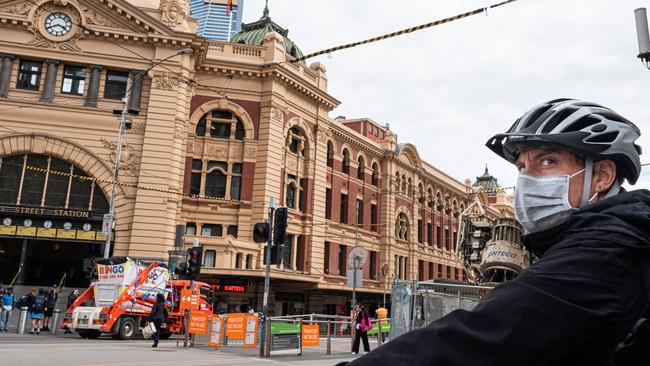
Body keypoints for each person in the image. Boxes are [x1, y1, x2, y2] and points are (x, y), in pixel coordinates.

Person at [339, 99, 650, 366]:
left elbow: (474, 340)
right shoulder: (617, 238)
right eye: (521, 168)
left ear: (602, 176)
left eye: (547, 161)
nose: (526, 180)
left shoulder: (603, 256)